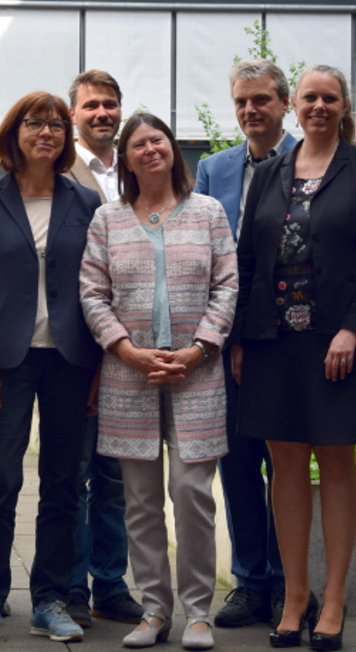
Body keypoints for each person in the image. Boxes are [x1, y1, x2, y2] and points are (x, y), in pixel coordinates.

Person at [231, 65, 356, 652]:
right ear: (294, 106)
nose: (319, 106)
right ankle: (295, 596)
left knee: (334, 464)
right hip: (274, 342)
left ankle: (333, 598)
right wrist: (239, 338)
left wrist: (355, 330)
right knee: (283, 466)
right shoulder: (271, 170)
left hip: (337, 345)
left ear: (343, 104)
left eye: (330, 97)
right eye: (310, 97)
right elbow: (247, 258)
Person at [79, 113, 237, 651]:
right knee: (140, 502)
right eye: (138, 144)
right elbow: (92, 293)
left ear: (173, 148)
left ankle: (197, 613)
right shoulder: (107, 219)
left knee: (192, 493)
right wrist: (127, 351)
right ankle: (153, 611)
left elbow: (227, 288)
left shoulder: (209, 213)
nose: (150, 149)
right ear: (125, 158)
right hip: (130, 375)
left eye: (158, 140)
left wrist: (197, 350)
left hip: (199, 374)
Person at [0, 91, 103, 647]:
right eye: (35, 123)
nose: (48, 132)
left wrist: (100, 369)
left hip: (70, 359)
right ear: (14, 134)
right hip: (4, 364)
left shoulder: (85, 203)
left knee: (65, 483)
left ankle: (51, 598)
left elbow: (99, 286)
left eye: (58, 124)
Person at [194, 59, 298, 629]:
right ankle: (251, 581)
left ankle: (287, 583)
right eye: (241, 102)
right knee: (236, 463)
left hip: (287, 340)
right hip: (227, 342)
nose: (250, 111)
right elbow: (211, 255)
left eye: (261, 100)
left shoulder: (309, 161)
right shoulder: (214, 168)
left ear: (283, 103)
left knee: (284, 462)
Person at [62, 69, 144, 629]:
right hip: (76, 345)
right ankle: (69, 583)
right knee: (73, 474)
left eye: (110, 105)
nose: (102, 114)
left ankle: (110, 584)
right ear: (74, 115)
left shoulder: (139, 167)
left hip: (132, 348)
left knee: (116, 475)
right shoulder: (57, 169)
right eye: (91, 106)